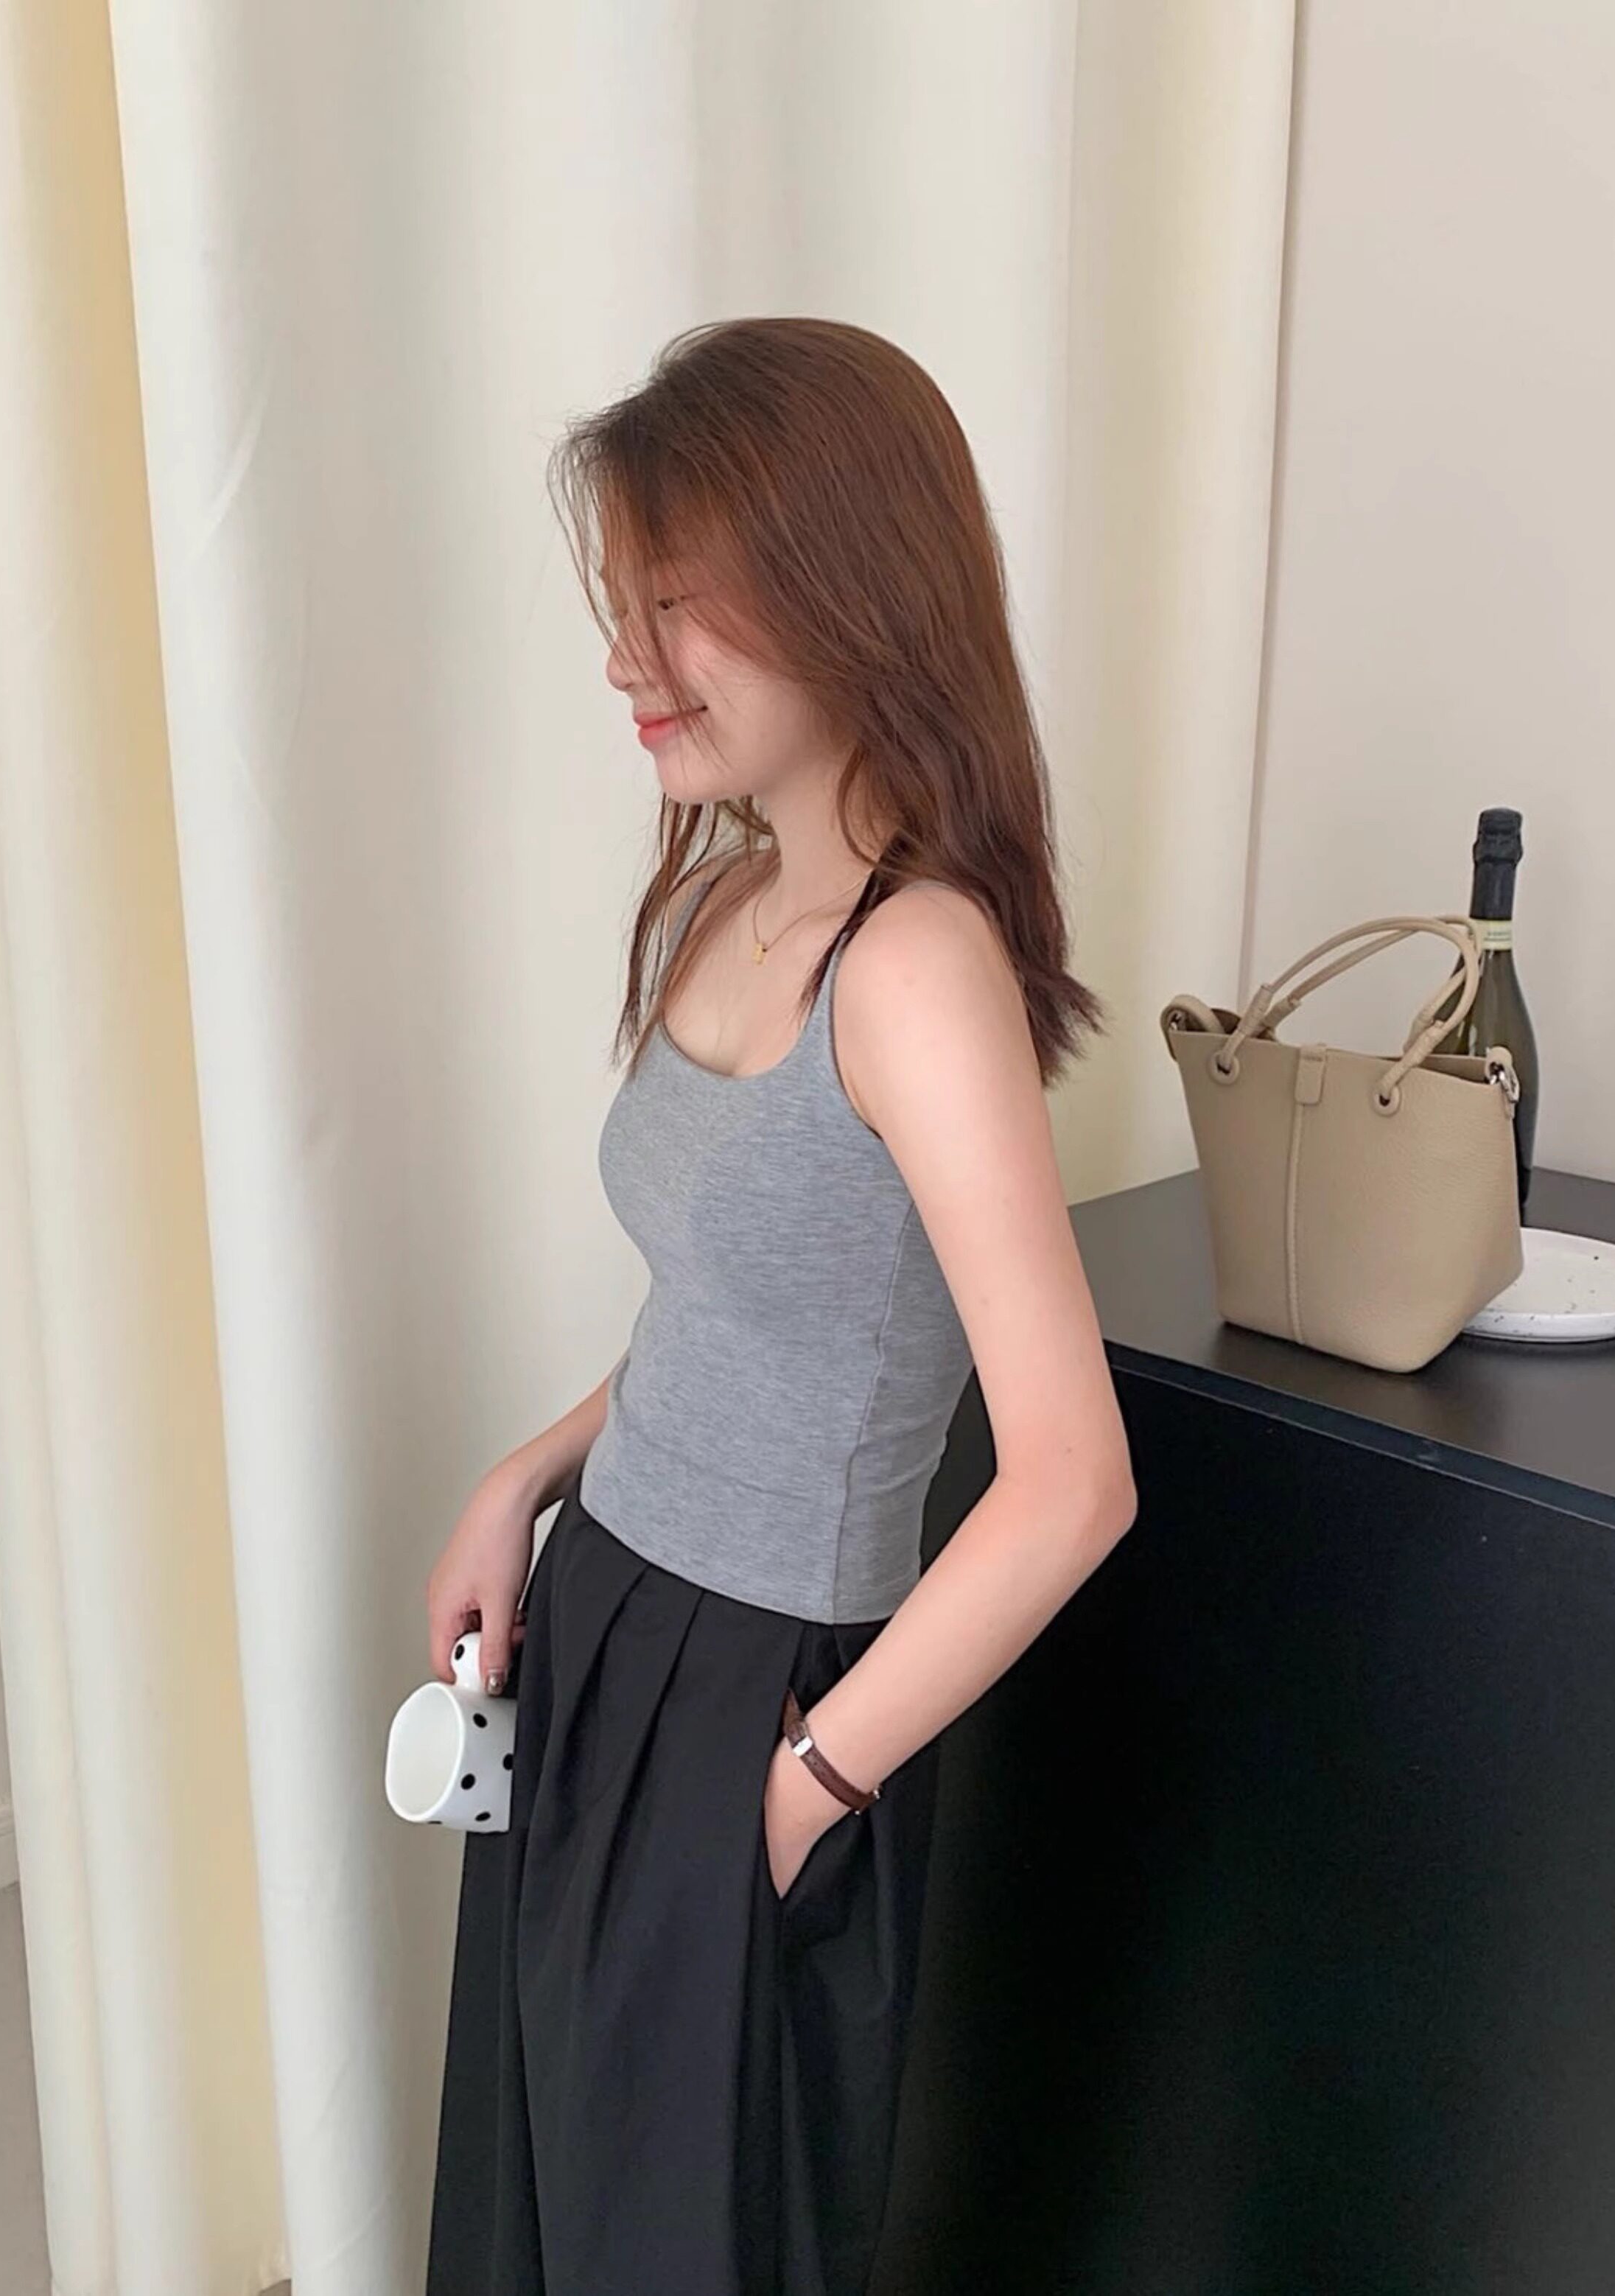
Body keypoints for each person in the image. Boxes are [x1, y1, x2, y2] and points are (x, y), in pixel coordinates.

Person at [423, 315, 1138, 2296]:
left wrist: (807, 1783)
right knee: (554, 2191)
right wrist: (523, 1479)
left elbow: (1073, 1477)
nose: (627, 662)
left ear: (850, 592)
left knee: (684, 2238)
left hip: (761, 1684)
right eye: (625, 604)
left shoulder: (916, 972)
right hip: (605, 1621)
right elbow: (727, 1316)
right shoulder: (725, 902)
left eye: (678, 604)